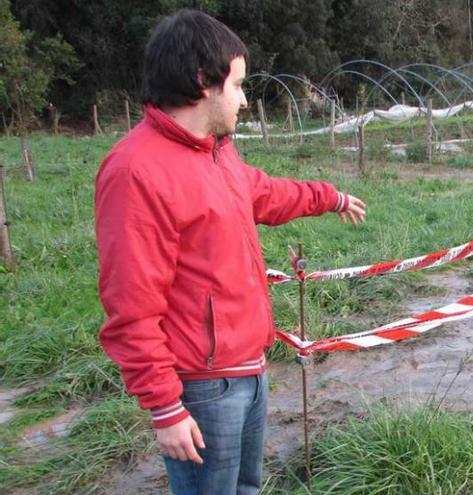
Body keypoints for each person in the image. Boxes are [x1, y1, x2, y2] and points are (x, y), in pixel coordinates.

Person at [93, 9, 366, 494]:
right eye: (238, 85)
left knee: (246, 489)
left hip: (249, 367)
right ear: (204, 81)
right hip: (202, 386)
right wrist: (165, 407)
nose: (243, 99)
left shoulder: (216, 151)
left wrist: (330, 196)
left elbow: (263, 193)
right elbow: (131, 306)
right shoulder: (137, 171)